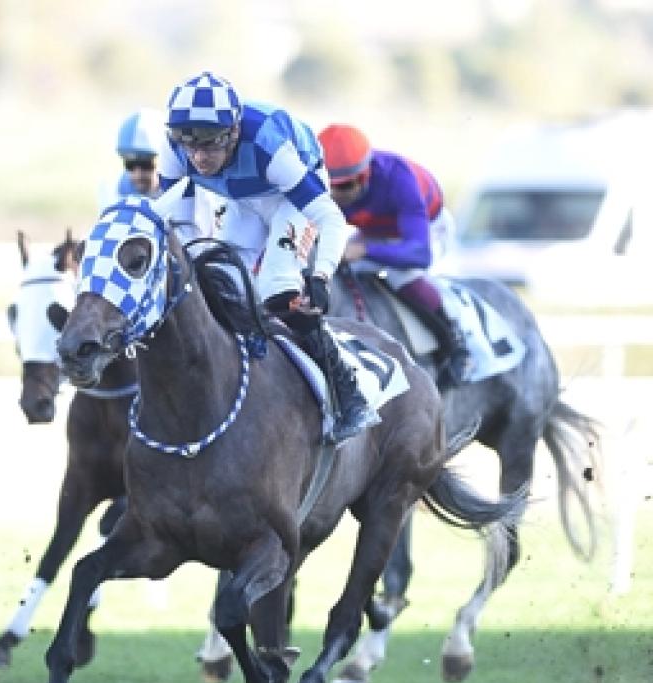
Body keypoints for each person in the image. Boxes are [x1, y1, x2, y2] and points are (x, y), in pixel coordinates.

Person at [156, 71, 373, 444]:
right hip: (240, 200)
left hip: (292, 196)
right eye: (189, 144)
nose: (198, 157)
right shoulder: (175, 147)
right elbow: (179, 222)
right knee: (214, 281)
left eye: (209, 144)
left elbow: (330, 218)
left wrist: (320, 277)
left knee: (276, 285)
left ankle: (347, 393)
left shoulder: (268, 146)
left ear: (234, 132)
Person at [318, 123, 471, 387]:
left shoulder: (399, 179)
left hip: (425, 230)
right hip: (372, 230)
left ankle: (456, 344)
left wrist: (365, 249)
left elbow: (419, 254)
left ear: (364, 176)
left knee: (402, 277)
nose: (332, 195)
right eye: (325, 185)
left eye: (341, 187)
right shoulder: (331, 185)